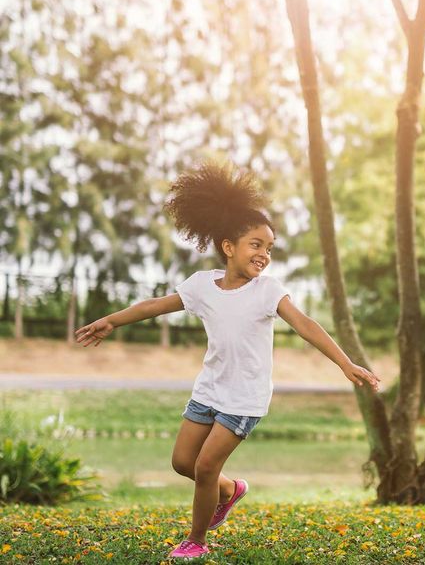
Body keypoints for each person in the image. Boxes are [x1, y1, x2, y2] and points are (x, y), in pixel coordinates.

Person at [75, 162, 380, 561]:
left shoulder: (268, 290)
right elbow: (156, 305)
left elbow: (306, 324)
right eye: (256, 244)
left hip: (245, 397)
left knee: (204, 467)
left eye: (269, 248)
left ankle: (196, 541)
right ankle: (231, 489)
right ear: (228, 246)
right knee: (182, 462)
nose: (264, 254)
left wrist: (345, 363)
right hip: (210, 388)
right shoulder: (202, 286)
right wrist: (111, 320)